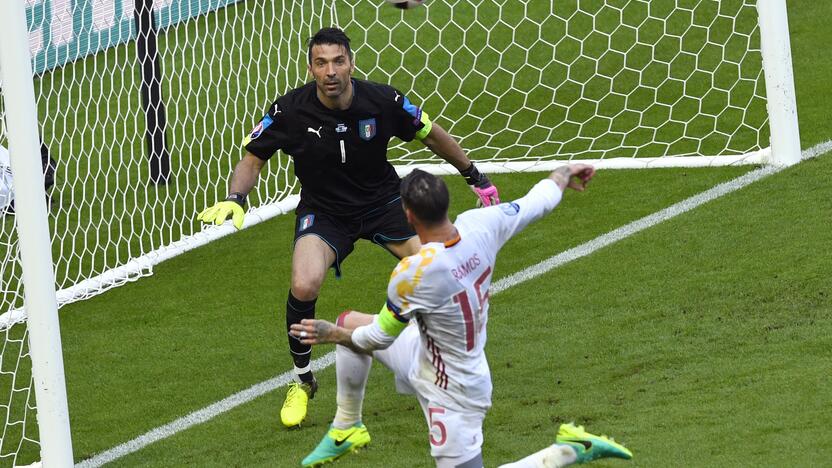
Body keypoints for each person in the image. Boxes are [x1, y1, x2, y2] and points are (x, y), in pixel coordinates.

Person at [197, 27, 500, 428]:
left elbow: (430, 134)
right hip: (325, 211)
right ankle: (303, 381)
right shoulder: (290, 111)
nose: (330, 71)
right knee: (304, 284)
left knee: (434, 270)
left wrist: (473, 175)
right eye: (321, 63)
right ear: (311, 69)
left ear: (351, 63)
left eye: (338, 61)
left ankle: (443, 365)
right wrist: (236, 198)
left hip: (385, 204)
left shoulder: (382, 100)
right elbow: (252, 158)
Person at [290, 166, 633, 467]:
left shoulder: (415, 273)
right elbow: (536, 202)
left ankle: (567, 451)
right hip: (427, 353)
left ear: (407, 215)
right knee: (350, 320)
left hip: (452, 391)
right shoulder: (481, 224)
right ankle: (347, 427)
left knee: (348, 332)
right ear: (445, 205)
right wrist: (563, 173)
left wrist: (331, 334)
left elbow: (380, 338)